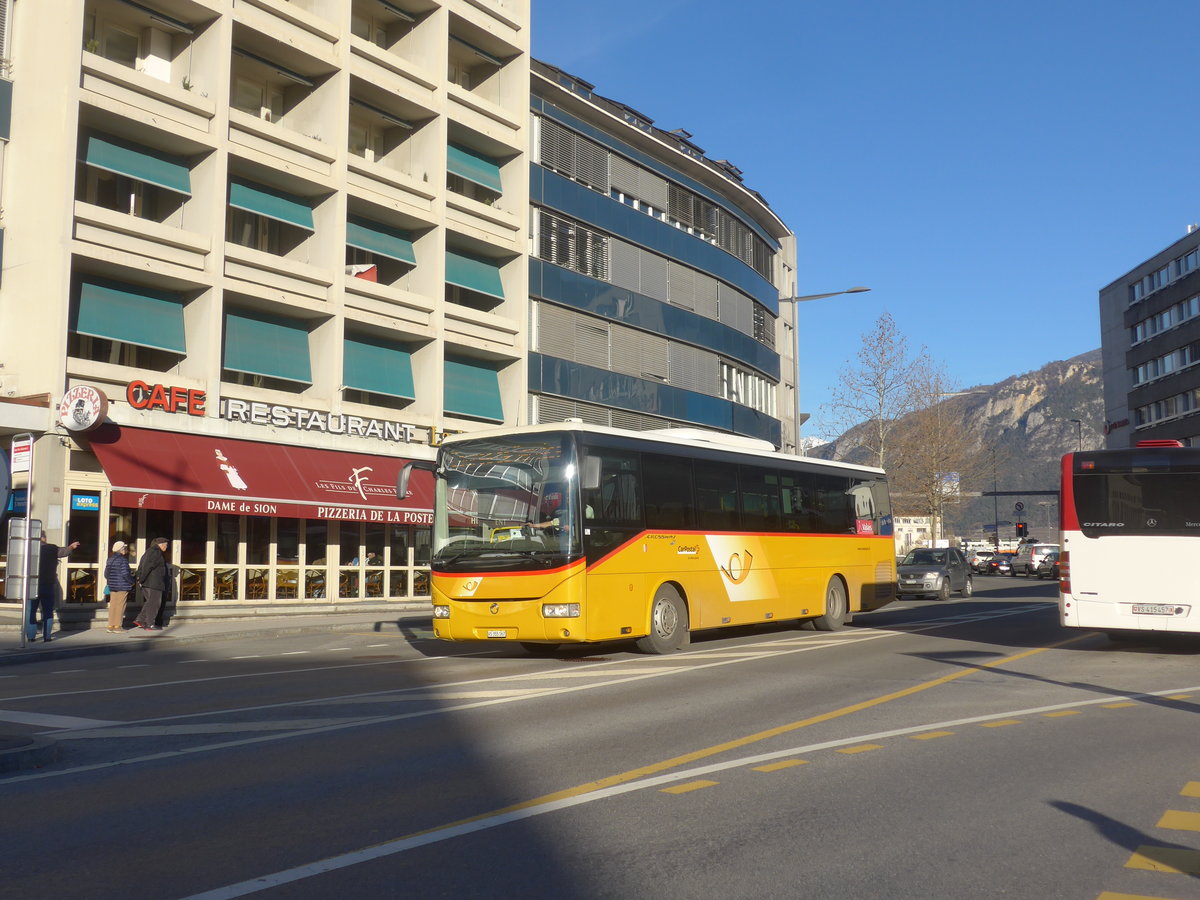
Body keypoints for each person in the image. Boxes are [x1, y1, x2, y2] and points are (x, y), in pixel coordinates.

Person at [29, 534, 80, 642]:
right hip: (48, 584)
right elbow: (64, 552)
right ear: (44, 538)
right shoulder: (51, 548)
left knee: (31, 611)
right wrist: (71, 547)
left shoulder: (29, 548)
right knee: (48, 611)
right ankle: (47, 637)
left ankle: (30, 636)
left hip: (32, 585)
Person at [133, 537, 170, 631]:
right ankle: (150, 624)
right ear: (160, 544)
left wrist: (140, 578)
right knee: (155, 603)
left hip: (149, 582)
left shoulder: (148, 552)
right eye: (166, 545)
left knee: (150, 602)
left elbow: (142, 566)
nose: (166, 547)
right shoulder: (155, 552)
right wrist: (141, 579)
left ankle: (141, 619)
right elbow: (147, 567)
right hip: (154, 583)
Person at [103, 541, 134, 633]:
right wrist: (131, 581)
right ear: (121, 549)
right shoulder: (123, 560)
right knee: (120, 606)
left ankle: (110, 625)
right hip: (122, 586)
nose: (125, 550)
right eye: (124, 548)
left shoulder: (110, 559)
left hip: (112, 586)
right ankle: (117, 626)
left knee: (113, 605)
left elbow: (106, 574)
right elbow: (125, 574)